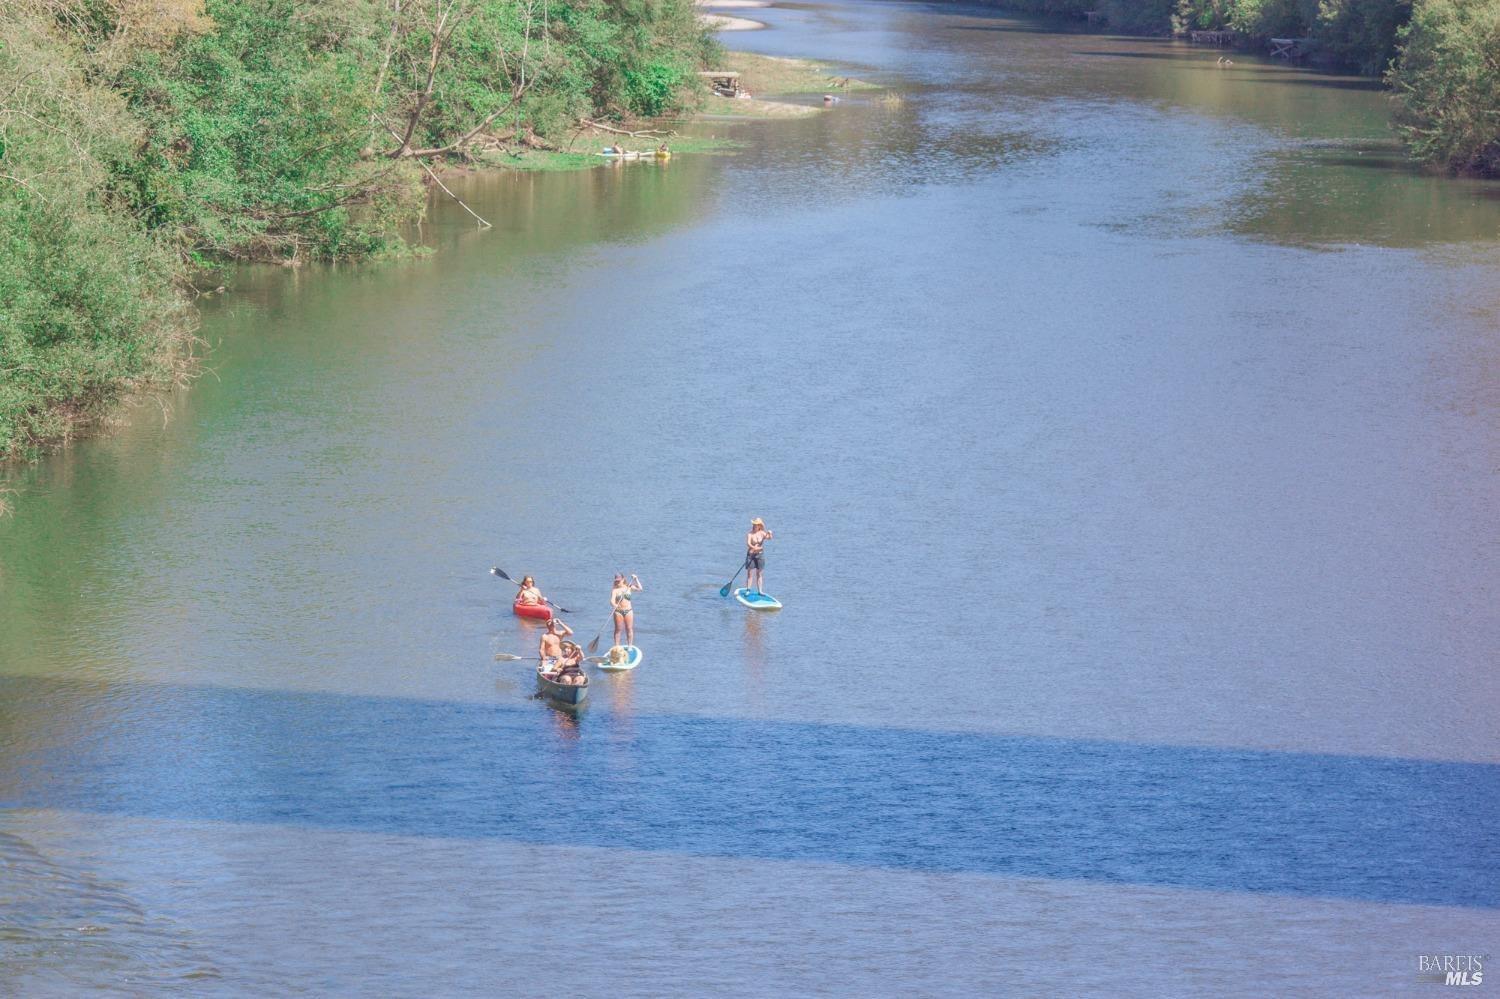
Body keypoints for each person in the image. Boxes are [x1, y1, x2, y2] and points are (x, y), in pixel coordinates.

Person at [610, 573, 643, 648]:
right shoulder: (615, 590)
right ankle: (617, 647)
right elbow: (611, 601)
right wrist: (614, 605)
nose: (618, 582)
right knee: (618, 630)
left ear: (623, 579)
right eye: (616, 581)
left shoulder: (629, 587)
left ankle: (630, 646)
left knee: (629, 628)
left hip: (628, 611)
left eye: (619, 580)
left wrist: (636, 579)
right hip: (618, 612)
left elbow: (640, 588)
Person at [745, 517, 773, 595]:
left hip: (760, 555)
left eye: (756, 524)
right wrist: (754, 547)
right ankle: (748, 590)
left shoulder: (762, 533)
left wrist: (770, 533)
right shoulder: (750, 534)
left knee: (759, 573)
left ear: (759, 526)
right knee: (750, 573)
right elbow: (748, 543)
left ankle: (760, 591)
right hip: (751, 555)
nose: (754, 525)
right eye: (754, 524)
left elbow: (769, 538)